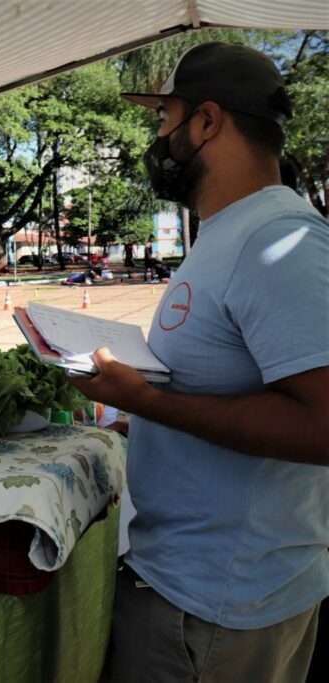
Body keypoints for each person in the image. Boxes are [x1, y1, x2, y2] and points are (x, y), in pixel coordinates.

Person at [69, 42, 328, 682]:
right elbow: (226, 380)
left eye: (165, 119)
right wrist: (141, 416)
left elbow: (323, 425)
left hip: (217, 608)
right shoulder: (231, 232)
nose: (158, 138)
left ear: (207, 121)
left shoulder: (277, 241)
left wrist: (146, 400)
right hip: (194, 589)